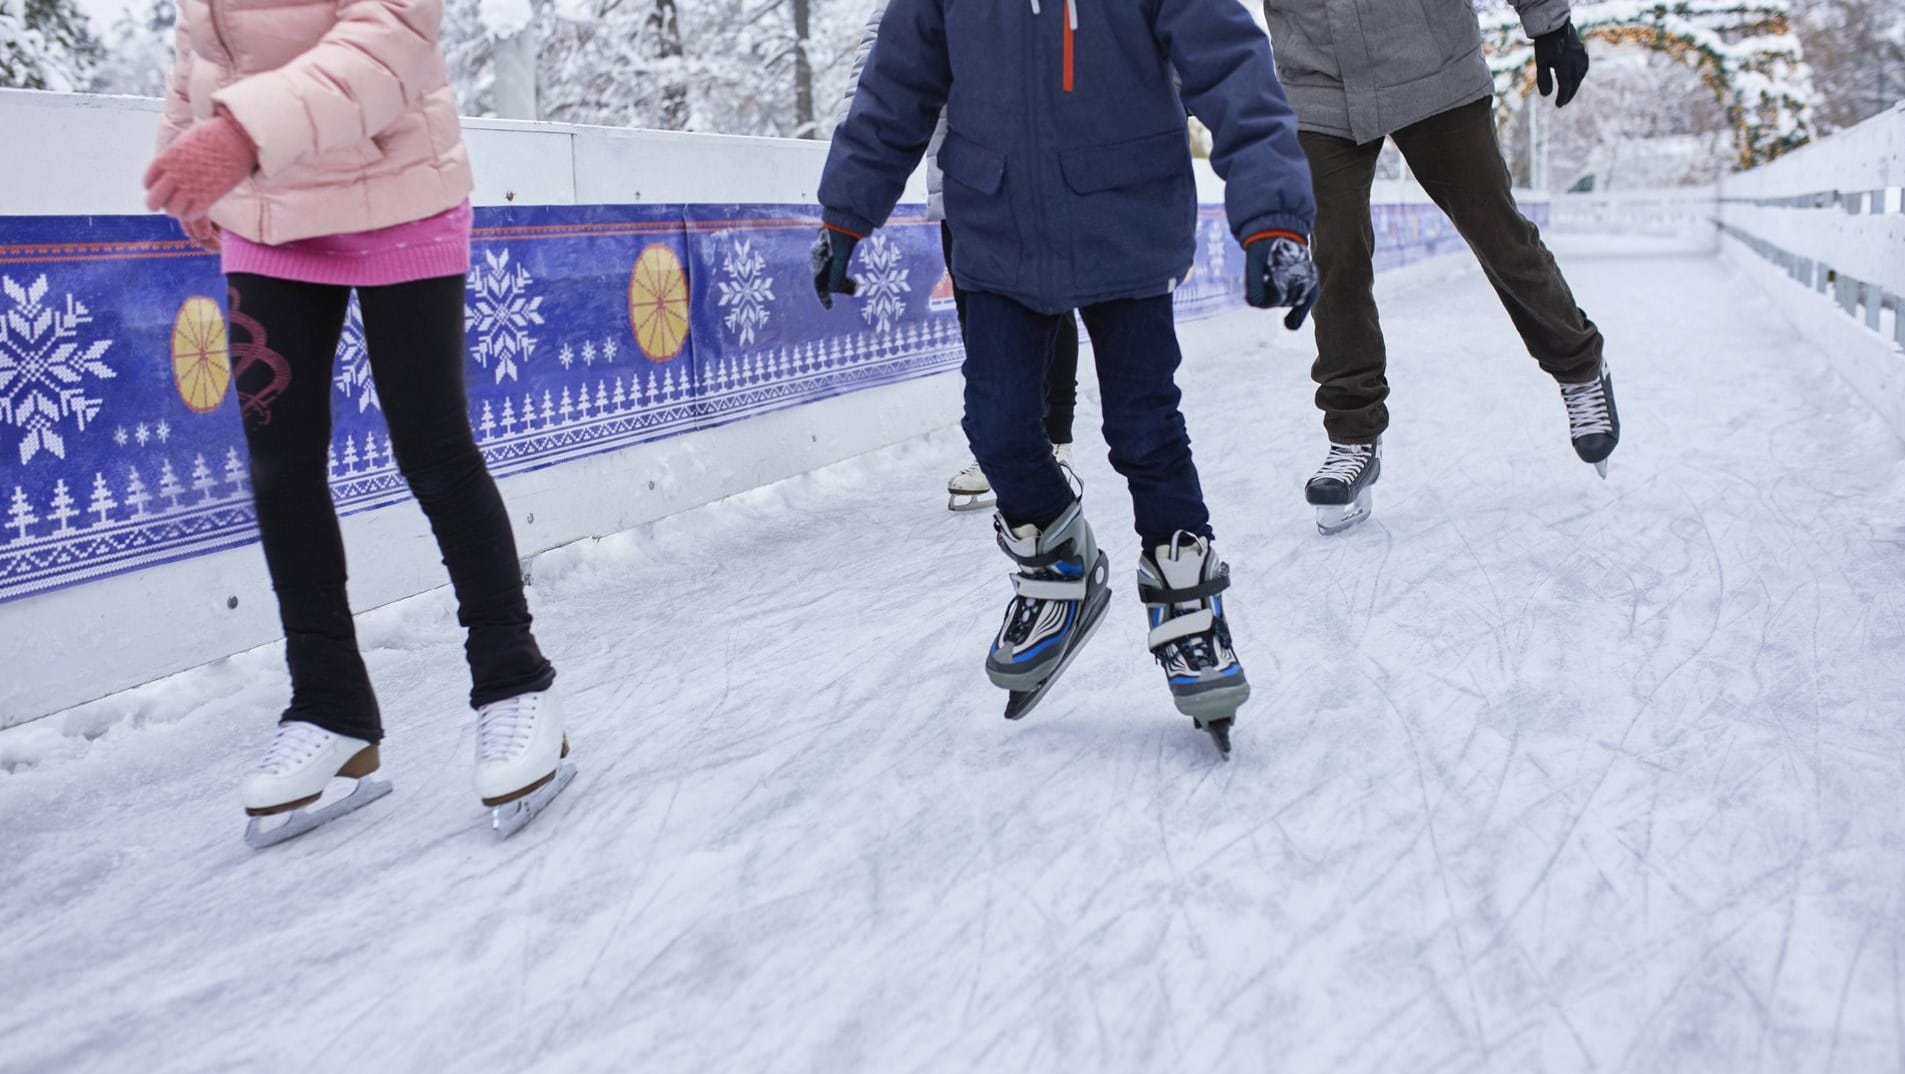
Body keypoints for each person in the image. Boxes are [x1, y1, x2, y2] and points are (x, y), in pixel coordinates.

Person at [812, 0, 1319, 756]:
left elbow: (1233, 70)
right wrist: (844, 214)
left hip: (1127, 219)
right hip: (996, 227)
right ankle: (1057, 567)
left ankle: (1187, 607)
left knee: (1145, 430)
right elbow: (895, 85)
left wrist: (1274, 219)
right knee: (997, 427)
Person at [143, 0, 573, 846]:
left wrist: (235, 136)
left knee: (432, 448)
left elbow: (390, 38)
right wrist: (181, 143)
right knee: (281, 464)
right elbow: (204, 40)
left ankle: (515, 685)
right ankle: (332, 707)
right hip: (266, 212)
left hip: (395, 191)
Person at [1262, 0, 1620, 534]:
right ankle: (1353, 433)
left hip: (1430, 63)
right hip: (1317, 81)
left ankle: (1581, 367)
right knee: (1336, 258)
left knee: (1497, 233)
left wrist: (1550, 22)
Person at [835, 1, 1080, 513]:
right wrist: (856, 137)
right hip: (963, 179)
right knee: (983, 321)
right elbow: (880, 55)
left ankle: (1051, 440)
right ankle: (1005, 448)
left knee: (1049, 302)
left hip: (1045, 167)